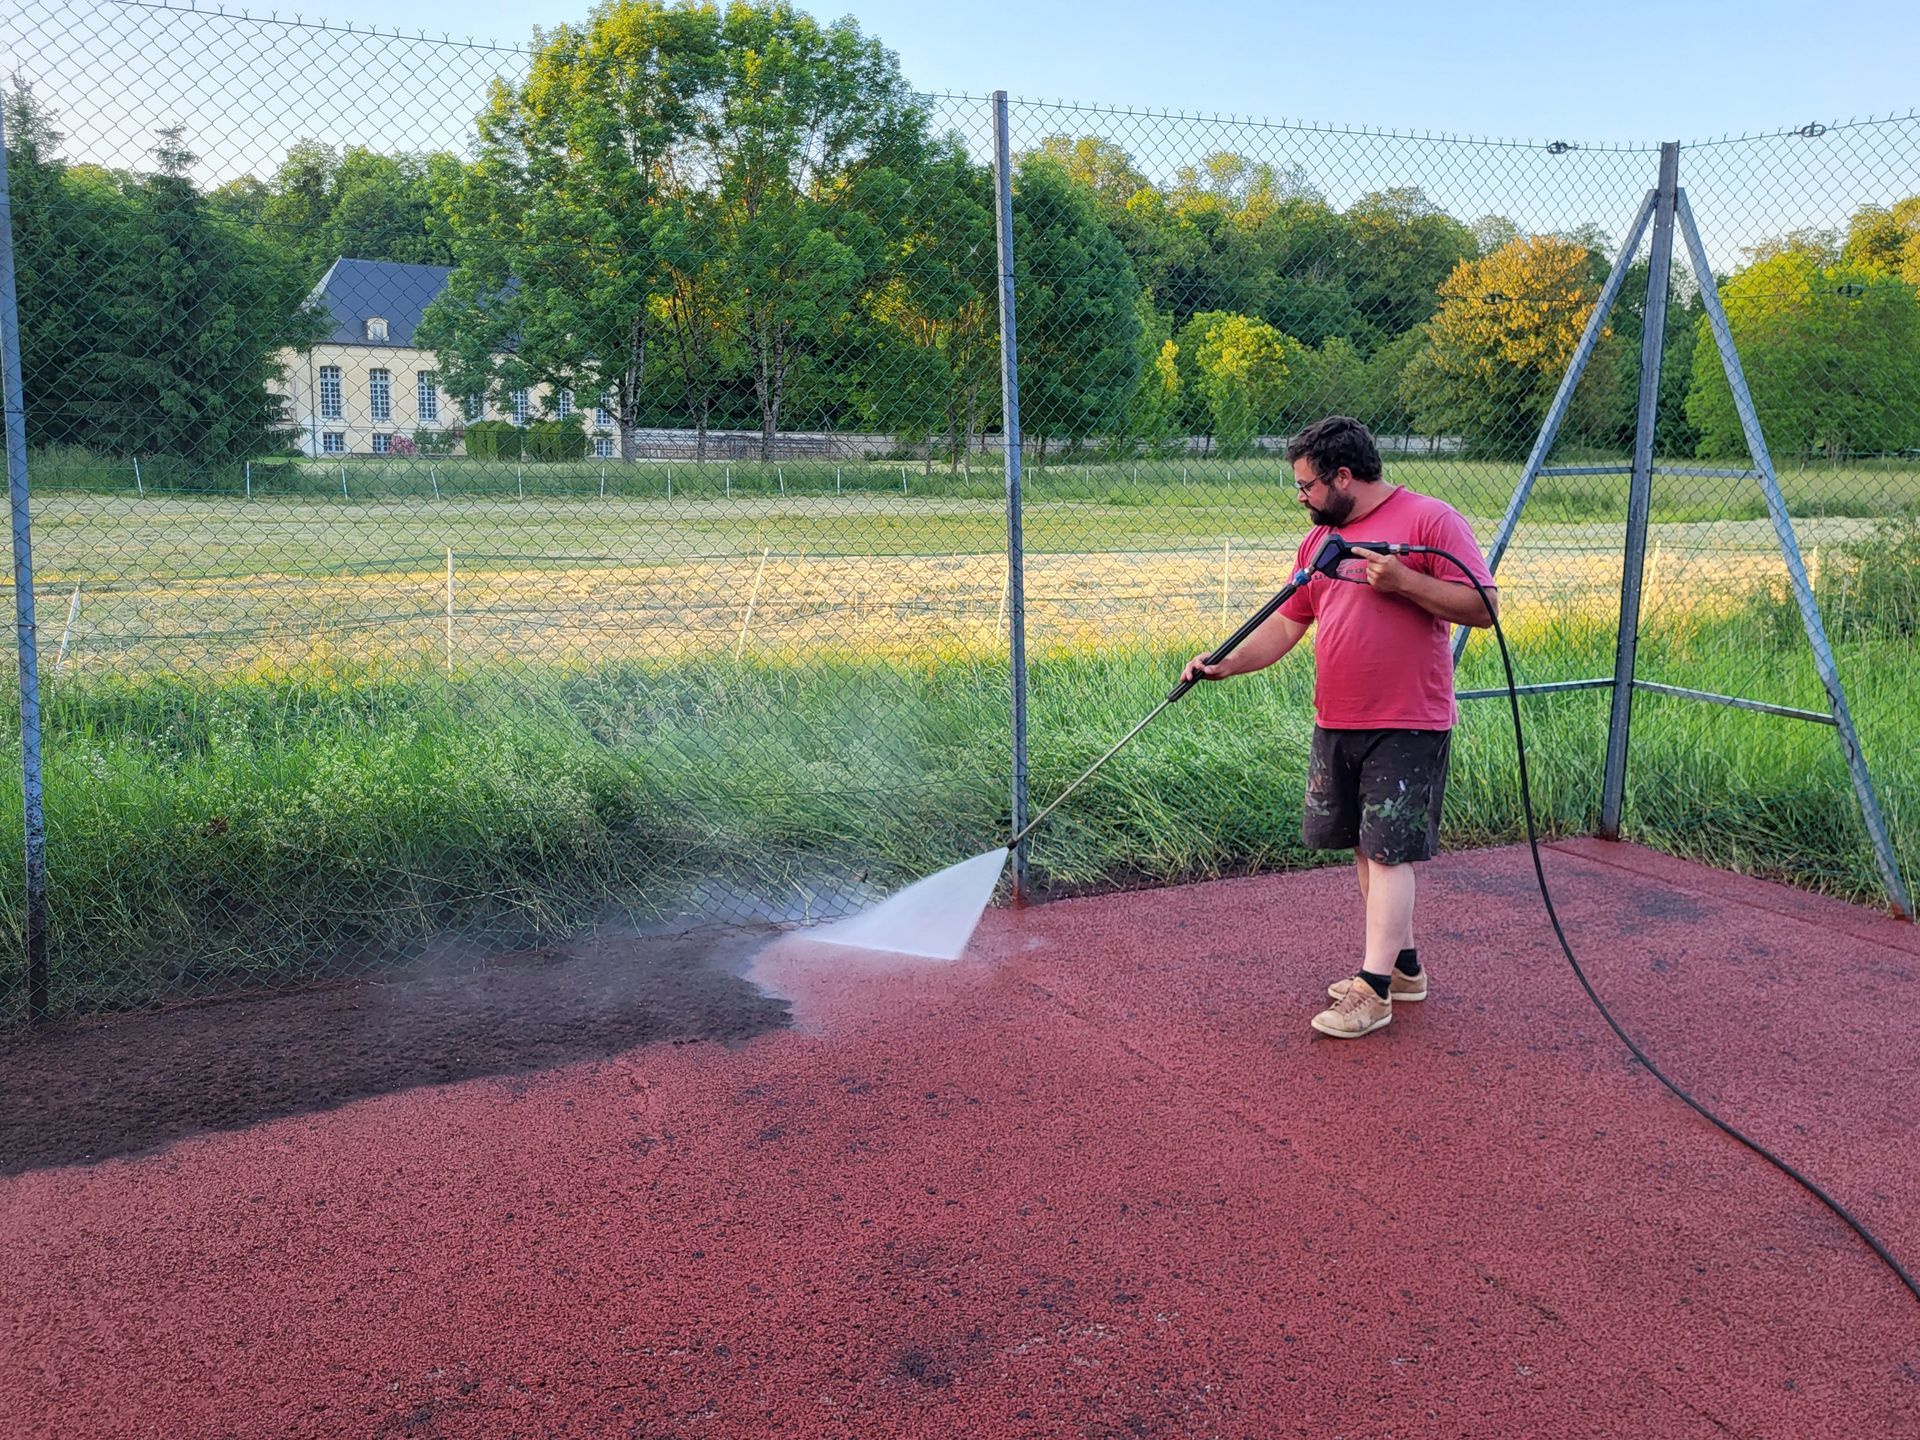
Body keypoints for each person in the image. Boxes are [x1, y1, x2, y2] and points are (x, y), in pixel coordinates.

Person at [1182, 416, 1497, 1039]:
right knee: (1362, 844)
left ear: (1343, 476)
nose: (1300, 497)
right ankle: (1404, 970)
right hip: (1339, 717)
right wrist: (1226, 665)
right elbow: (1287, 623)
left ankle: (1373, 990)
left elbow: (1484, 606)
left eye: (1307, 486)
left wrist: (1404, 580)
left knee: (1389, 850)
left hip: (1408, 719)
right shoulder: (1319, 544)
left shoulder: (1430, 521)